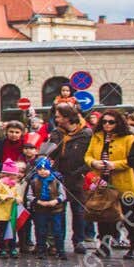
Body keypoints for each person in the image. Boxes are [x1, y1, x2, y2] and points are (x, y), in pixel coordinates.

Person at [85, 110, 134, 258]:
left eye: (111, 122)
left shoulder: (128, 138)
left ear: (118, 123)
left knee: (130, 214)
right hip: (103, 181)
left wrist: (114, 164)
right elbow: (88, 155)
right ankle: (104, 246)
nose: (107, 125)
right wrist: (93, 162)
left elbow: (132, 160)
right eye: (104, 121)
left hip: (123, 182)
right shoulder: (97, 137)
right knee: (103, 213)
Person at [49, 103, 93, 254]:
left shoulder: (86, 133)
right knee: (58, 210)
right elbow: (50, 152)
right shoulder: (56, 133)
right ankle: (57, 241)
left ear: (67, 117)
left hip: (77, 177)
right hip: (59, 177)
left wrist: (81, 172)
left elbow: (91, 155)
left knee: (79, 210)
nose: (56, 118)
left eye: (58, 116)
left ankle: (79, 240)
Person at [25, 156, 68, 259]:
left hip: (55, 209)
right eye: (40, 169)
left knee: (57, 230)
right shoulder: (34, 182)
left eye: (45, 169)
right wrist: (38, 201)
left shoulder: (56, 181)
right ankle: (41, 250)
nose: (43, 171)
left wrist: (55, 201)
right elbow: (29, 196)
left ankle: (60, 250)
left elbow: (63, 195)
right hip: (40, 209)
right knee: (41, 230)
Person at [0, 161, 23, 258]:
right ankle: (3, 248)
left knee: (12, 230)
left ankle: (12, 248)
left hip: (12, 211)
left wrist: (18, 199)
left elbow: (18, 196)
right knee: (3, 230)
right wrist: (4, 196)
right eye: (14, 174)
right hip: (2, 212)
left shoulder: (15, 185)